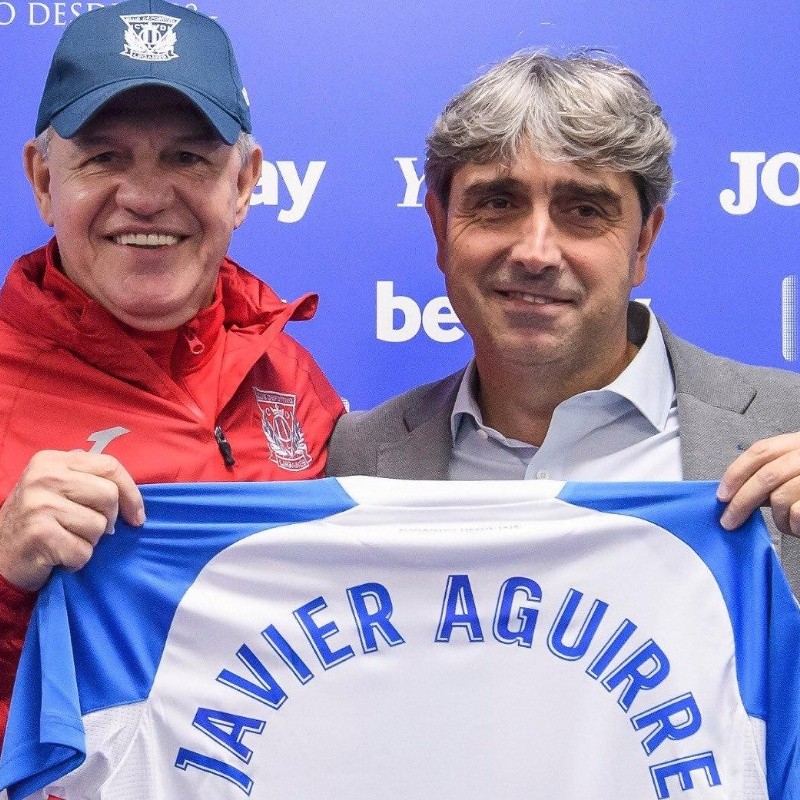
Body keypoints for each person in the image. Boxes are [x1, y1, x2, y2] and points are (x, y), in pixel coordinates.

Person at [327, 49, 800, 596]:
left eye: (584, 211)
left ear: (643, 242)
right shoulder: (355, 458)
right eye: (498, 203)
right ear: (440, 228)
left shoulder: (788, 424)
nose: (535, 253)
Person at [0, 0, 343, 740]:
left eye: (188, 157)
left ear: (244, 183)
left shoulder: (295, 379)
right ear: (42, 179)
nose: (147, 197)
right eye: (104, 157)